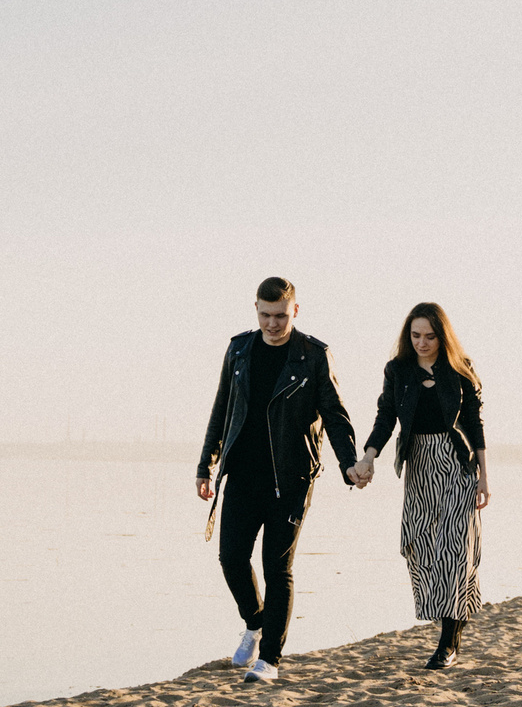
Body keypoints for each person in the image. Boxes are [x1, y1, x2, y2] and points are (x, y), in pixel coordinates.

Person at [196, 277, 363, 685]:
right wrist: (206, 465)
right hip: (242, 474)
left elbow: (335, 414)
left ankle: (269, 657)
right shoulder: (239, 348)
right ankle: (255, 624)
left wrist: (349, 464)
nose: (273, 323)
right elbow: (222, 407)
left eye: (281, 316)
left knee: (277, 567)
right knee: (231, 558)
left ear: (295, 311)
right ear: (255, 309)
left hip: (291, 478)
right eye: (266, 315)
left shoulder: (313, 355)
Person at [349, 301, 488, 669]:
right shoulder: (398, 370)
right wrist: (368, 457)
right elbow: (386, 417)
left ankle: (448, 644)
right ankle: (452, 620)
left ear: (442, 337)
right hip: (419, 465)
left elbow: (474, 424)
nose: (422, 343)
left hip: (457, 463)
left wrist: (485, 477)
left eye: (429, 336)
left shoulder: (460, 369)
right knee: (422, 546)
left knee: (455, 549)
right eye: (415, 336)